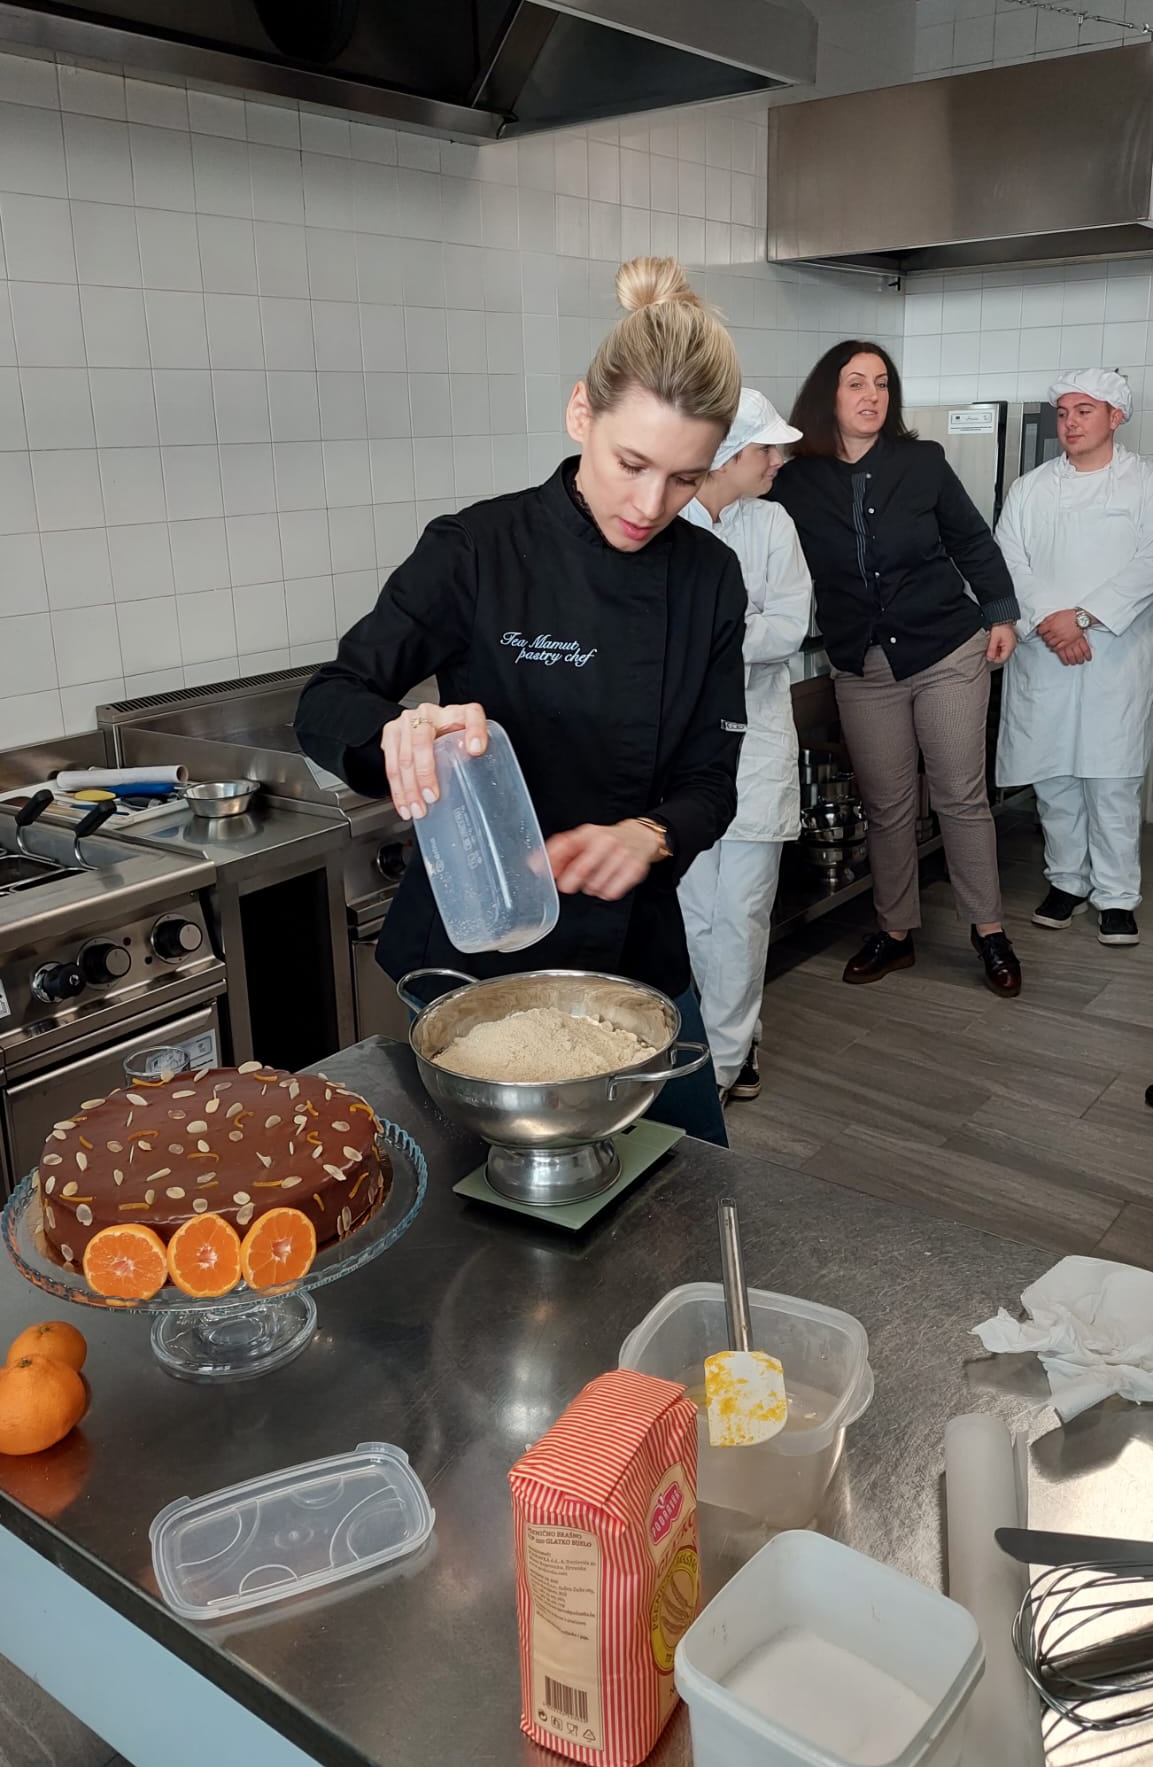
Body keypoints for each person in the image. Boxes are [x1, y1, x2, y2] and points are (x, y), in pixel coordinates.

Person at [295, 257, 748, 1147]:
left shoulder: (709, 578)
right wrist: (403, 733)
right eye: (631, 463)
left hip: (633, 960)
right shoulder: (478, 549)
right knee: (483, 1201)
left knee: (686, 1173)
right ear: (581, 412)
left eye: (686, 479)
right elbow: (327, 700)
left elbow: (712, 780)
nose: (650, 504)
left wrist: (649, 834)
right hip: (478, 960)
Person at [772, 341, 1024, 997]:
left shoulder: (922, 462)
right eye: (856, 383)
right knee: (886, 805)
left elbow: (971, 539)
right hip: (863, 664)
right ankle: (894, 932)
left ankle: (989, 931)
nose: (872, 396)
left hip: (945, 650)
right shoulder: (794, 482)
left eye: (881, 383)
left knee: (958, 795)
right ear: (827, 396)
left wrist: (1000, 612)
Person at [677, 388, 811, 1105]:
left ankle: (722, 1068)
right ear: (728, 454)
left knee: (744, 909)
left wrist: (710, 638)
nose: (778, 461)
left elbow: (788, 627)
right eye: (767, 449)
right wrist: (736, 631)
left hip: (756, 744)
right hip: (682, 750)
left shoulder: (773, 523)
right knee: (695, 910)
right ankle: (726, 1039)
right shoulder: (669, 523)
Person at [996, 368, 1153, 947]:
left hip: (1114, 652)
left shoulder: (1144, 484)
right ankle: (1067, 881)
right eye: (1063, 413)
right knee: (1054, 776)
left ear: (1116, 416)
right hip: (1046, 652)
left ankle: (1116, 895)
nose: (1070, 423)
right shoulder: (1030, 488)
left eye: (1084, 411)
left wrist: (1083, 617)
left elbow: (1148, 563)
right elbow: (1008, 560)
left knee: (1111, 780)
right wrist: (1051, 622)